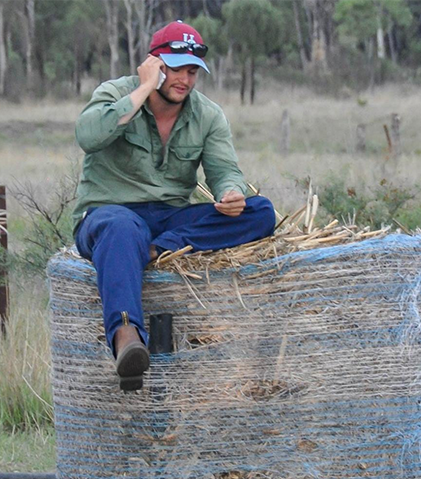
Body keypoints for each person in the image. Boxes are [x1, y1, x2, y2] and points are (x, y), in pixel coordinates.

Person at [72, 20, 276, 391]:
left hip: (168, 221)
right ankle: (126, 337)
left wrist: (230, 194)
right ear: (154, 63)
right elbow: (88, 135)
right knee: (120, 228)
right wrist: (144, 89)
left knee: (260, 212)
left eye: (193, 70)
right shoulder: (116, 93)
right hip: (109, 214)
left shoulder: (208, 114)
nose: (185, 78)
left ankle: (155, 250)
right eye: (176, 68)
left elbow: (225, 171)